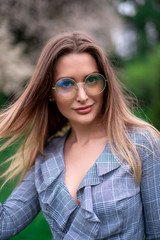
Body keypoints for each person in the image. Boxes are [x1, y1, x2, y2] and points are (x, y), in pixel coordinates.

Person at [0, 31, 160, 240]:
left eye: (92, 80)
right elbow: (5, 224)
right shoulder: (46, 157)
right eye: (66, 84)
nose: (83, 96)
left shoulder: (141, 144)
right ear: (50, 92)